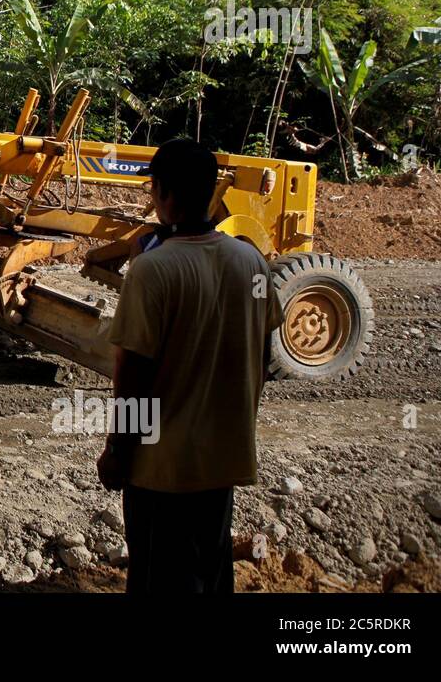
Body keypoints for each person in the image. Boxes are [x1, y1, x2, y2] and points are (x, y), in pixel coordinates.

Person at [97, 137, 283, 593]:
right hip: (223, 459)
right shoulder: (252, 262)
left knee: (157, 578)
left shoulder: (151, 269)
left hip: (163, 467)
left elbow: (133, 373)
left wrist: (119, 450)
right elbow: (262, 350)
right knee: (210, 572)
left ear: (160, 192)